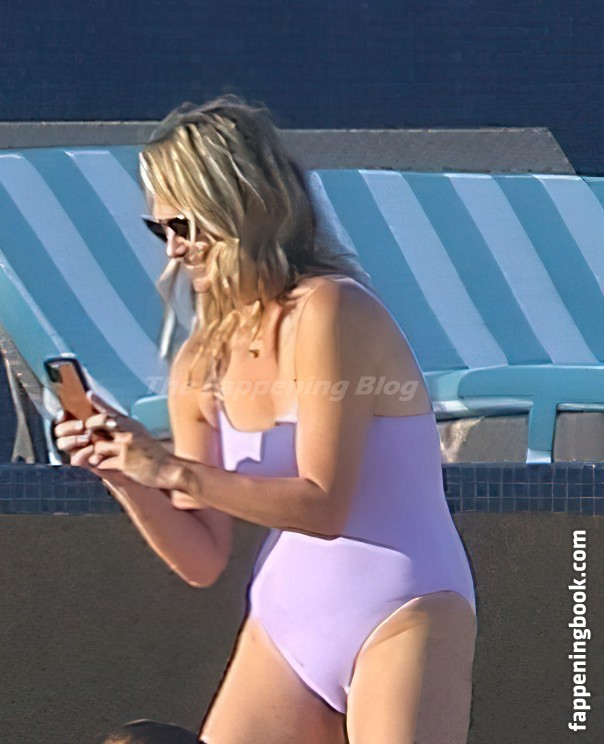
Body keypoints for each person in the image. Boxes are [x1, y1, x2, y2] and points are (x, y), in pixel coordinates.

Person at [55, 93, 477, 744]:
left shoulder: (330, 311)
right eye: (159, 230)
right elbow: (203, 557)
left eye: (183, 226)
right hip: (285, 624)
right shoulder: (200, 361)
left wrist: (168, 468)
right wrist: (122, 470)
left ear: (238, 208)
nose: (174, 250)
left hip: (405, 608)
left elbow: (324, 505)